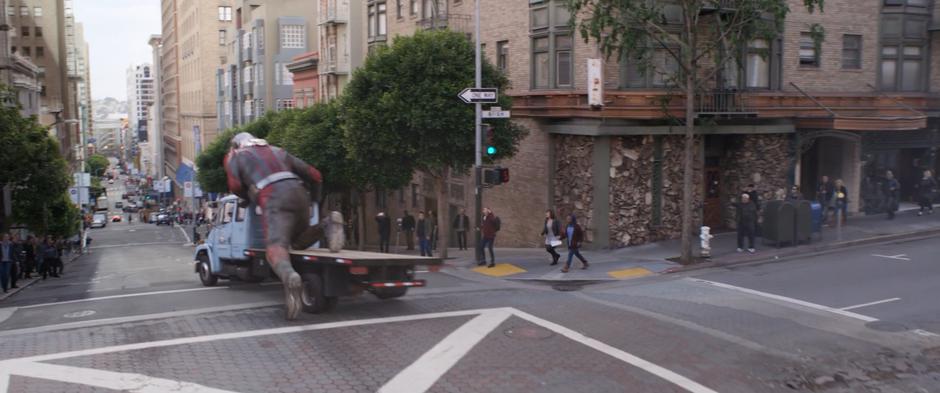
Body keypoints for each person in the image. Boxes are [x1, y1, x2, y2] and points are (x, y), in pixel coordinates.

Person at [224, 132, 344, 320]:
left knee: (276, 249)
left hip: (272, 197)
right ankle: (327, 224)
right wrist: (315, 200)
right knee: (296, 243)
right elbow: (315, 175)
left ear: (236, 145)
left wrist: (249, 196)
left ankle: (289, 276)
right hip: (298, 192)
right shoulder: (278, 151)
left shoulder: (235, 156)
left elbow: (235, 186)